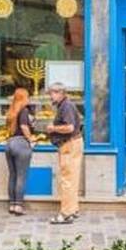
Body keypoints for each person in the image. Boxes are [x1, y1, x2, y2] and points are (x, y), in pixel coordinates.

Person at [46, 82, 83, 225]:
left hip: (69, 144)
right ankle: (73, 209)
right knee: (72, 178)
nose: (51, 96)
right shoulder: (66, 105)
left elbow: (69, 127)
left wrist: (53, 128)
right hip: (74, 143)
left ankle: (66, 214)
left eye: (52, 93)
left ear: (60, 93)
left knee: (67, 179)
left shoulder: (66, 106)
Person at [4, 88, 36, 216]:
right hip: (21, 143)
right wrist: (31, 140)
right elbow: (24, 127)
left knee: (12, 175)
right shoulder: (23, 111)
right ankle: (18, 205)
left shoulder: (11, 111)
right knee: (21, 176)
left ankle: (12, 204)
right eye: (27, 96)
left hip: (10, 143)